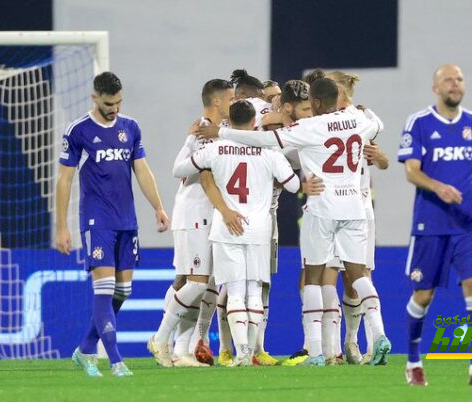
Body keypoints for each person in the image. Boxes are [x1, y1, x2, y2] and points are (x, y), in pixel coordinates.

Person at [198, 78, 381, 366]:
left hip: (321, 208)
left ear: (317, 102)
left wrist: (222, 132)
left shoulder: (309, 127)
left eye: (310, 105)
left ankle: (317, 352)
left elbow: (266, 141)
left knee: (312, 276)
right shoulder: (356, 119)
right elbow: (376, 123)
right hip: (356, 208)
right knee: (357, 276)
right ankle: (376, 334)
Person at [55, 71, 169, 377]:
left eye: (118, 102)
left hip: (126, 220)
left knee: (123, 291)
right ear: (95, 98)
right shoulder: (78, 130)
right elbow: (65, 179)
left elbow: (142, 171)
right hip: (97, 220)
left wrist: (158, 207)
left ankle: (85, 349)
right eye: (108, 102)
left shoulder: (130, 127)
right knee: (103, 290)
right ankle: (115, 360)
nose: (114, 108)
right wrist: (61, 227)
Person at [175, 100, 300, 366]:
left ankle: (241, 350)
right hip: (259, 229)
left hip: (226, 227)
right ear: (254, 121)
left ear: (228, 122)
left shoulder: (216, 148)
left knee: (233, 291)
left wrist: (190, 142)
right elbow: (293, 185)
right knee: (254, 291)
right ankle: (251, 350)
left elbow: (179, 170)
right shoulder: (269, 152)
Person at [398, 64, 472, 386]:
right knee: (423, 296)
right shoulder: (419, 123)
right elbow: (411, 170)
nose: (456, 84)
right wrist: (438, 187)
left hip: (468, 224)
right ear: (435, 88)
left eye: (460, 79)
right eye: (449, 80)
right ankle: (413, 363)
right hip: (431, 224)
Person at [147, 79, 234, 367]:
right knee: (196, 283)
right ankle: (161, 339)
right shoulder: (204, 134)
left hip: (205, 214)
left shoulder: (217, 132)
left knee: (195, 281)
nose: (233, 103)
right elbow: (178, 169)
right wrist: (204, 153)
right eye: (230, 98)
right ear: (217, 101)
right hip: (196, 213)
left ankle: (181, 350)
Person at [325, 71, 390, 366]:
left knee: (355, 278)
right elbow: (377, 126)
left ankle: (354, 342)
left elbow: (383, 160)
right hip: (338, 207)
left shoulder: (356, 119)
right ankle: (335, 348)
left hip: (355, 207)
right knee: (342, 277)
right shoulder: (365, 120)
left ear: (340, 91)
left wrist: (380, 157)